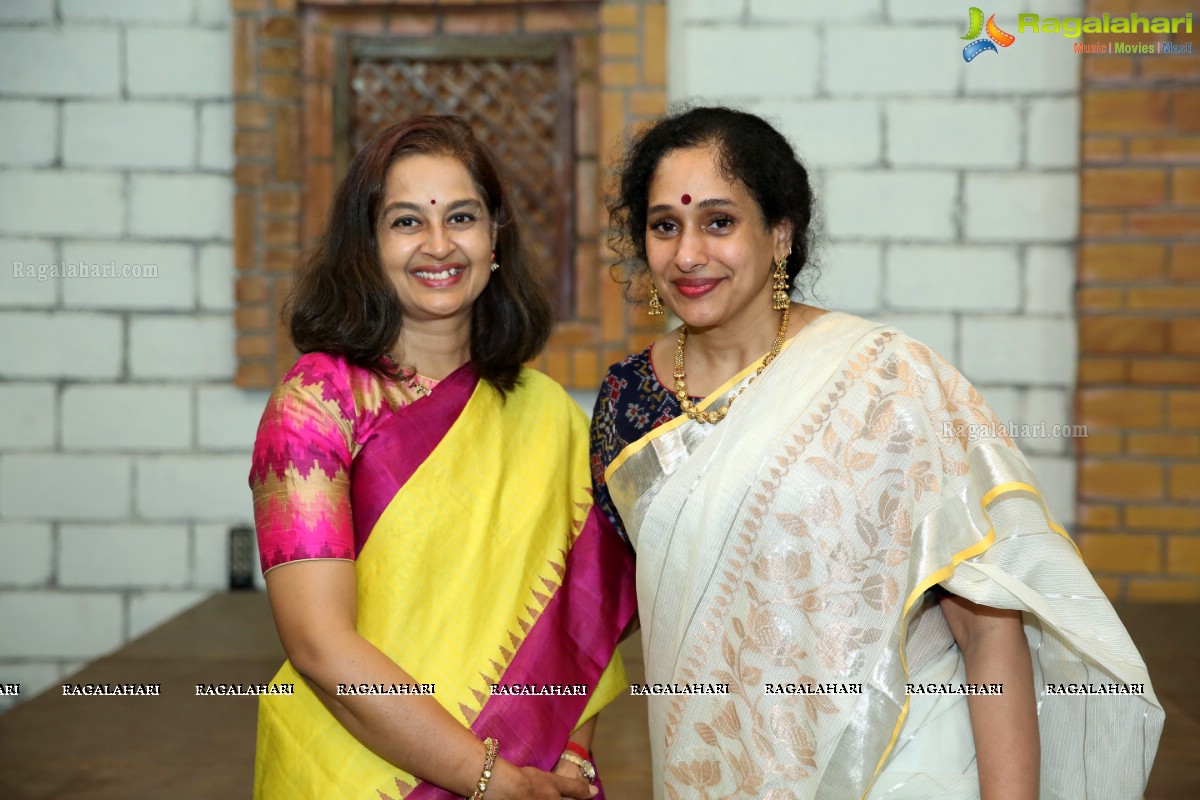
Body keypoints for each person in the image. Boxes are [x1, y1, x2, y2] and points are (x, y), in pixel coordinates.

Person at [590, 106, 1163, 799]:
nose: (687, 254)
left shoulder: (888, 380)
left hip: (906, 760)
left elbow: (987, 631)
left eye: (719, 222)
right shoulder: (629, 403)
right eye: (665, 226)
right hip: (721, 765)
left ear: (779, 235)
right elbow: (603, 609)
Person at [249, 115, 636, 800]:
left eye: (462, 216)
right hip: (349, 775)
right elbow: (318, 643)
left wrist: (569, 756)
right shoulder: (314, 407)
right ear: (366, 246)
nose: (438, 245)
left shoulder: (548, 415)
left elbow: (581, 622)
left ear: (494, 241)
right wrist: (486, 779)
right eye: (405, 222)